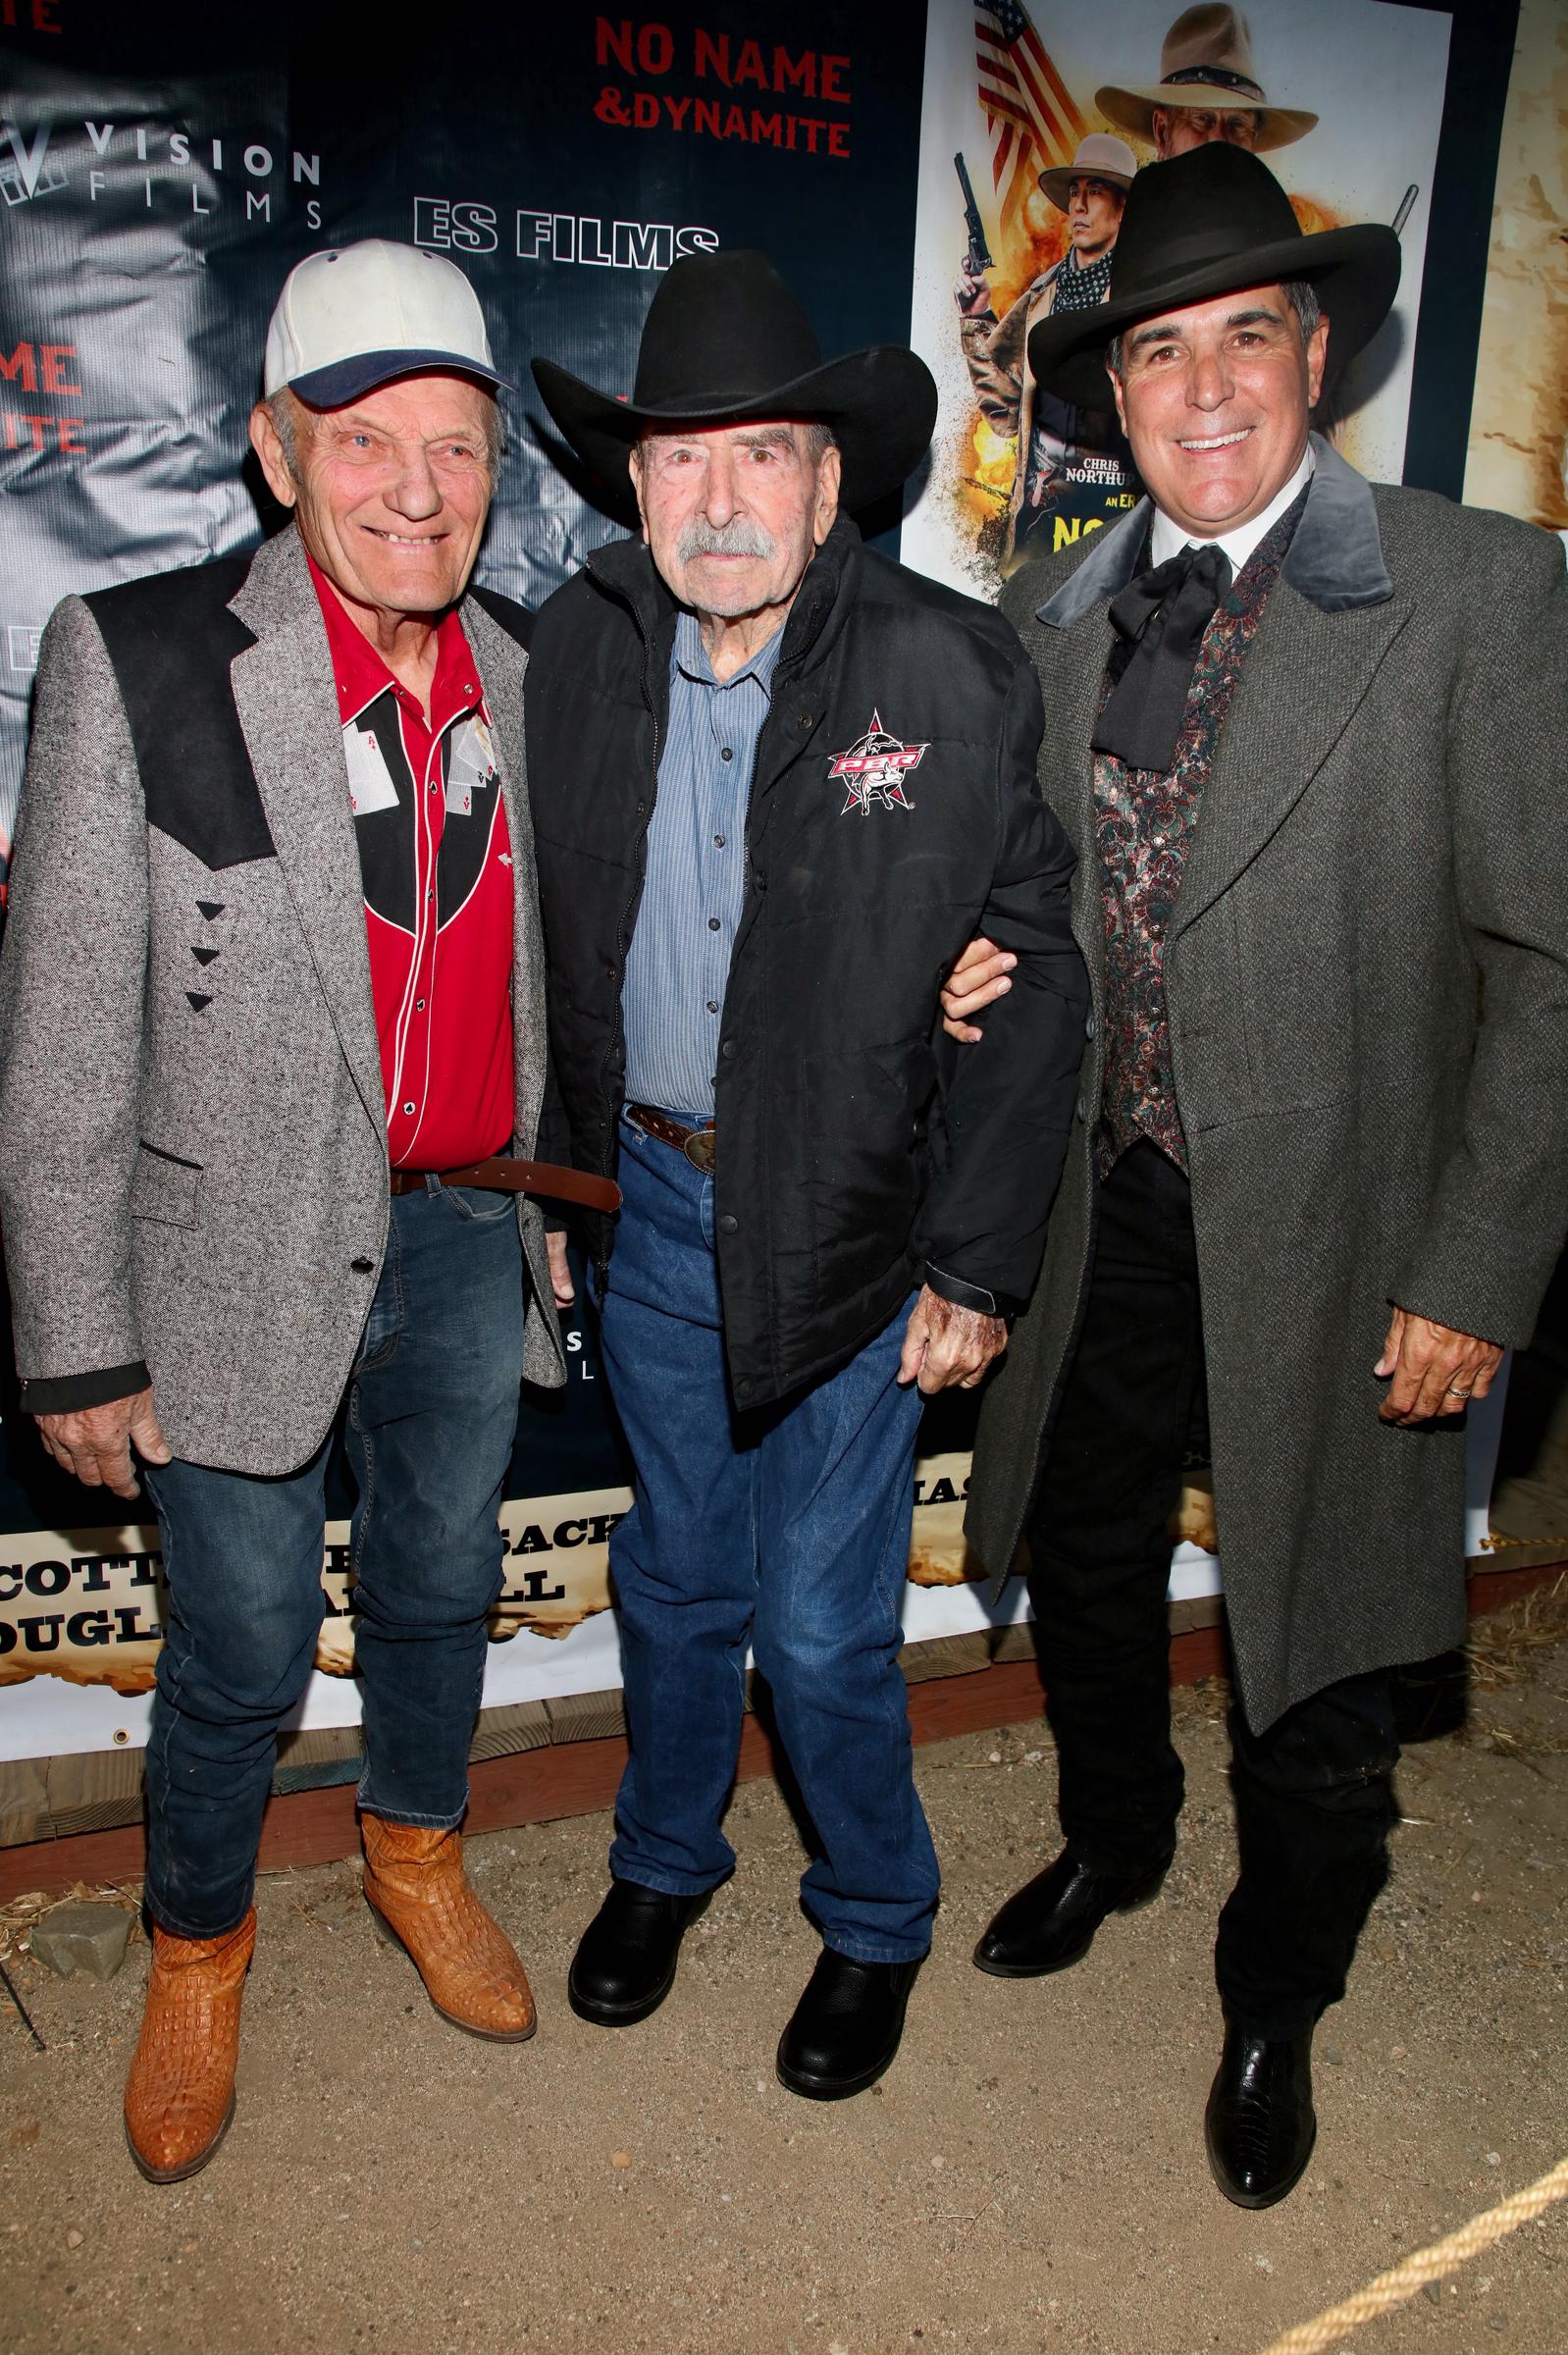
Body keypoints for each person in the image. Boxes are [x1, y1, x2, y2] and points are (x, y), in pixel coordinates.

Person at [942, 145, 1568, 2207]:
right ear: (1110, 394)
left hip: (1354, 1226)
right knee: (1092, 1552)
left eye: (1242, 339)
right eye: (1152, 355)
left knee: (1320, 1623)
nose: (1198, 389)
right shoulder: (1050, 614)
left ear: (1314, 357)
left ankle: (1274, 1979)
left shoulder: (1472, 591)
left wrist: (1475, 1266)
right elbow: (1045, 912)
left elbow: (1545, 962)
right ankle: (1116, 1833)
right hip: (1100, 1196)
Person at [0, 239, 601, 2183]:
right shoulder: (143, 655)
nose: (416, 486)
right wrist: (75, 1339)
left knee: (437, 1588)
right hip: (227, 1253)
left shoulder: (529, 666)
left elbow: (560, 964)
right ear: (277, 453)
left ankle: (415, 1851)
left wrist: (565, 1171)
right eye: (364, 443)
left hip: (459, 1231)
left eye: (456, 443)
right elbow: (68, 1033)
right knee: (241, 1650)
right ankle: (199, 1945)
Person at [526, 250, 1088, 2100]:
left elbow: (1034, 971)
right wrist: (561, 1193)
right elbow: (553, 944)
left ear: (832, 481)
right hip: (653, 1204)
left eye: (762, 454)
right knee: (677, 1576)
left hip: (855, 1219)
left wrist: (979, 1268)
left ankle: (873, 1918)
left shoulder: (943, 664)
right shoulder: (579, 652)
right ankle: (667, 1863)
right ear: (630, 483)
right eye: (680, 458)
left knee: (829, 1623)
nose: (718, 498)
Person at [956, 134, 1137, 570]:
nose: (1079, 206)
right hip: (1039, 523)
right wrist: (978, 317)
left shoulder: (1140, 297)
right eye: (1075, 193)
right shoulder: (1042, 297)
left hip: (1117, 522)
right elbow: (1004, 410)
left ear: (1124, 207)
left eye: (1095, 192)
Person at [1096, 4, 1317, 159]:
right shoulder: (1136, 223)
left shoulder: (1273, 222)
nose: (1219, 141)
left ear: (1253, 140)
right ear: (1162, 131)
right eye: (1201, 119)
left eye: (1238, 124)